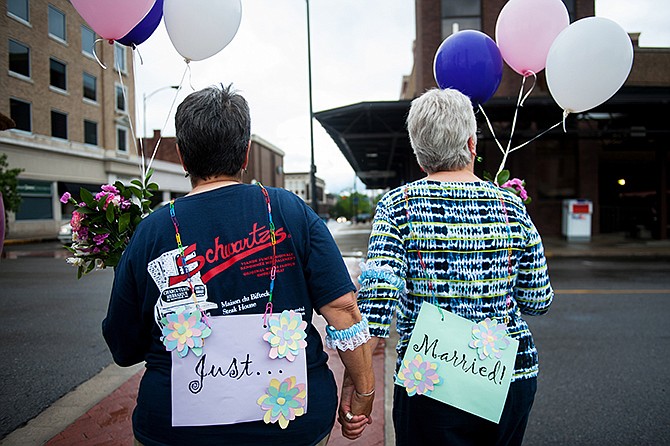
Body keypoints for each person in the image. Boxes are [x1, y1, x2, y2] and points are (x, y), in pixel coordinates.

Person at [103, 84, 374, 446]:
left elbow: (124, 346)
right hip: (293, 424)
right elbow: (343, 309)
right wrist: (363, 390)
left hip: (176, 428)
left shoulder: (150, 231)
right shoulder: (290, 211)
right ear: (245, 153)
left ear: (183, 157)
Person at [339, 88, 554, 445]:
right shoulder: (511, 206)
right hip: (508, 375)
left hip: (431, 378)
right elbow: (537, 300)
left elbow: (376, 309)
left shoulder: (398, 205)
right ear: (472, 144)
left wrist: (358, 385)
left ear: (420, 155)